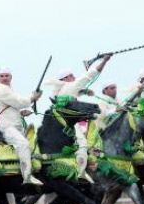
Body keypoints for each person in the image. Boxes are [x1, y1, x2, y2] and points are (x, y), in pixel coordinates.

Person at [47, 55, 111, 183]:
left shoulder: (58, 91)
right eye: (71, 75)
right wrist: (104, 61)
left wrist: (84, 92)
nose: (74, 77)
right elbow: (90, 75)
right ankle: (82, 172)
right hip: (70, 124)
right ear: (65, 79)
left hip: (58, 125)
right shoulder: (71, 86)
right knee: (84, 143)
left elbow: (72, 93)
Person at [0, 68, 43, 186]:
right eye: (2, 76)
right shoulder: (2, 89)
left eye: (7, 76)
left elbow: (6, 108)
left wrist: (21, 113)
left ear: (11, 77)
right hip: (4, 127)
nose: (4, 78)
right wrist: (33, 98)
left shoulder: (7, 89)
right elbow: (19, 102)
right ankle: (27, 176)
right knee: (23, 144)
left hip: (9, 125)